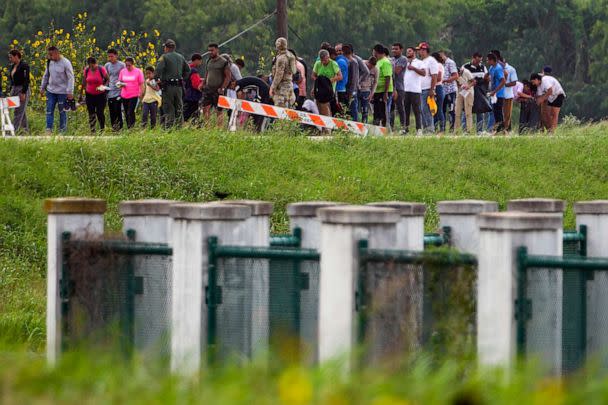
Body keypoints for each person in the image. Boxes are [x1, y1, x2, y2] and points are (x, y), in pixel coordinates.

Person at [154, 39, 190, 128]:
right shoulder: (181, 57)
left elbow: (158, 70)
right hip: (179, 87)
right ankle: (179, 128)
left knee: (169, 107)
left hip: (168, 87)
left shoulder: (164, 57)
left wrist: (157, 79)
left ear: (166, 48)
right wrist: (182, 78)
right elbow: (188, 70)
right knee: (179, 107)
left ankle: (169, 129)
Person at [40, 46, 74, 133]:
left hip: (62, 92)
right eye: (49, 55)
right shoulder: (49, 62)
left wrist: (70, 91)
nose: (50, 57)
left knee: (62, 111)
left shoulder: (66, 63)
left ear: (57, 53)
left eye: (51, 55)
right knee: (49, 110)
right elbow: (46, 75)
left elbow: (71, 77)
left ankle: (62, 131)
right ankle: (48, 129)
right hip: (51, 91)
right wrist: (42, 87)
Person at [201, 43, 231, 126]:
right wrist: (203, 83)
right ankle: (207, 127)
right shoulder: (208, 61)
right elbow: (207, 73)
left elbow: (228, 76)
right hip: (208, 88)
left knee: (219, 110)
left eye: (212, 50)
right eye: (209, 51)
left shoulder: (223, 62)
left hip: (218, 89)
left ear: (217, 50)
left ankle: (219, 128)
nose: (210, 52)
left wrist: (223, 88)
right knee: (205, 108)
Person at [462, 52, 490, 133]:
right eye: (477, 61)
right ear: (473, 58)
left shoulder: (483, 67)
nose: (479, 63)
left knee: (480, 111)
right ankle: (465, 130)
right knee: (467, 110)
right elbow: (461, 78)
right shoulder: (465, 67)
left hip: (480, 92)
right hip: (469, 91)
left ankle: (479, 130)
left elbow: (486, 79)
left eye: (480, 61)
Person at [312, 49, 342, 118]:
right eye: (322, 60)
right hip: (320, 91)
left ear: (328, 57)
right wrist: (318, 83)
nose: (323, 62)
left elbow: (340, 76)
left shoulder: (333, 64)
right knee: (321, 110)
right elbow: (313, 75)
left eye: (325, 60)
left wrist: (329, 81)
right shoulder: (318, 64)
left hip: (330, 91)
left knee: (331, 110)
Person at [81, 56, 108, 133]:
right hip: (89, 94)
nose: (92, 67)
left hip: (100, 94)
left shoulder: (101, 69)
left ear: (96, 64)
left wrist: (103, 86)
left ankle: (102, 129)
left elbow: (107, 79)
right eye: (90, 65)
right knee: (91, 113)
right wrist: (81, 94)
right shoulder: (86, 70)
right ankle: (92, 130)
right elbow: (84, 82)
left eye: (93, 65)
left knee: (100, 112)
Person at [402, 47, 425, 134]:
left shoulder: (419, 62)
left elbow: (423, 73)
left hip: (415, 90)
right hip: (405, 89)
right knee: (406, 111)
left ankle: (419, 129)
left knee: (417, 111)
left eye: (410, 51)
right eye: (407, 51)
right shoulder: (405, 62)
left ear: (414, 52)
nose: (408, 52)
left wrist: (413, 68)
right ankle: (406, 129)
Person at [7, 49, 31, 133]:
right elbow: (12, 80)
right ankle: (25, 130)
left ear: (16, 56)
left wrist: (23, 92)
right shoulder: (13, 66)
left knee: (18, 111)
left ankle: (13, 130)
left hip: (22, 89)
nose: (10, 59)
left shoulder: (24, 66)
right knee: (20, 110)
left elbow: (26, 80)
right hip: (14, 89)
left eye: (11, 57)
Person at [417, 42, 438, 133]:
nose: (419, 52)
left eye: (420, 50)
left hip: (427, 89)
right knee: (421, 110)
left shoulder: (431, 60)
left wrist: (432, 89)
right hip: (420, 89)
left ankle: (430, 129)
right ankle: (425, 129)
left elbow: (434, 76)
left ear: (425, 50)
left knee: (427, 110)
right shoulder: (422, 61)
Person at [270, 37, 297, 108]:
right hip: (289, 86)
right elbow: (294, 71)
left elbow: (279, 75)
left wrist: (272, 87)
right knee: (288, 109)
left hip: (282, 88)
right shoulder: (290, 55)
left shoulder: (281, 58)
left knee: (280, 110)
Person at [118, 57, 144, 129]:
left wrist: (141, 93)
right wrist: (120, 85)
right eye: (126, 65)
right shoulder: (122, 71)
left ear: (133, 64)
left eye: (129, 65)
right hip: (124, 95)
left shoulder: (138, 71)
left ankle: (131, 127)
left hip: (134, 95)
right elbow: (120, 82)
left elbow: (141, 84)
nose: (128, 67)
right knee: (126, 112)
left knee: (131, 111)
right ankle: (128, 126)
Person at [104, 49, 125, 131]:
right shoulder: (107, 65)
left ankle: (120, 128)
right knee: (112, 110)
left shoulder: (122, 65)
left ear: (116, 56)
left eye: (112, 56)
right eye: (109, 56)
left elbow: (125, 76)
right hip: (110, 90)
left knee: (118, 110)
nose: (110, 58)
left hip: (119, 91)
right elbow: (106, 78)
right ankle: (114, 128)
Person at [372, 44, 393, 128]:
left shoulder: (385, 62)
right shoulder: (378, 61)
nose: (373, 54)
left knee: (383, 112)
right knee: (377, 112)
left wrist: (386, 92)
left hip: (383, 91)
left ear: (376, 52)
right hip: (377, 91)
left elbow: (388, 77)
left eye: (373, 52)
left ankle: (386, 129)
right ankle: (377, 129)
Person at [390, 43, 408, 132]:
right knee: (391, 108)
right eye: (393, 49)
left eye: (396, 49)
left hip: (399, 87)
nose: (394, 51)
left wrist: (388, 67)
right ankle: (391, 128)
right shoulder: (391, 59)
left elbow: (397, 71)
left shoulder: (403, 59)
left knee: (400, 107)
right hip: (391, 87)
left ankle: (402, 128)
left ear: (401, 50)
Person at [486, 53, 506, 133]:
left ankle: (502, 130)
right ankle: (498, 130)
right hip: (493, 94)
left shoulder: (498, 68)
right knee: (495, 112)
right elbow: (489, 75)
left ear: (492, 60)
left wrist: (495, 91)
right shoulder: (491, 67)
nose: (487, 61)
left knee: (499, 112)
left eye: (488, 60)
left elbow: (503, 81)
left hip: (499, 94)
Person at [439, 50, 458, 131]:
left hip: (450, 91)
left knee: (451, 110)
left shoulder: (450, 62)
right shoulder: (440, 64)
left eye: (441, 56)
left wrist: (445, 80)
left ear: (444, 55)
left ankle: (451, 129)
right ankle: (442, 129)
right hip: (442, 90)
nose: (440, 58)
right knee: (442, 110)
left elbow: (456, 76)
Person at [455, 66, 475, 134]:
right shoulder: (455, 74)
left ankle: (469, 130)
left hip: (468, 91)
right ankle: (456, 130)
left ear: (460, 71)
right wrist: (459, 85)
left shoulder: (466, 72)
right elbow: (457, 83)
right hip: (461, 91)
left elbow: (474, 82)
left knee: (468, 112)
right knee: (457, 111)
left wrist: (468, 86)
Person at [183, 53, 203, 121]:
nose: (200, 63)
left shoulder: (187, 68)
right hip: (193, 96)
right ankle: (194, 127)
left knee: (186, 112)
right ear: (197, 60)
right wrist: (202, 86)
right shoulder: (194, 70)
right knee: (193, 114)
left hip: (186, 94)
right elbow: (195, 84)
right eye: (200, 61)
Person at [343, 44, 359, 121]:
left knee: (353, 110)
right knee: (348, 110)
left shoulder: (353, 62)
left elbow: (354, 79)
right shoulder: (348, 61)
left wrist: (351, 92)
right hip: (348, 89)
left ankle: (356, 129)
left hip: (352, 90)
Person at [501, 58, 518, 132]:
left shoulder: (511, 69)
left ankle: (506, 130)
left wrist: (504, 84)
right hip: (498, 95)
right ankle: (499, 130)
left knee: (507, 115)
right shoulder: (496, 69)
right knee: (499, 114)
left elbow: (514, 82)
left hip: (507, 95)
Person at [359, 56, 377, 123]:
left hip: (366, 90)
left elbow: (375, 82)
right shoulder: (362, 63)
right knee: (354, 108)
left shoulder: (376, 69)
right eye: (369, 66)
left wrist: (372, 94)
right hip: (358, 88)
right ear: (367, 62)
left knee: (365, 110)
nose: (370, 68)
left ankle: (364, 124)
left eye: (372, 67)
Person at [432, 52, 445, 133]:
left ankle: (442, 128)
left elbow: (439, 78)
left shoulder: (438, 65)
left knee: (439, 109)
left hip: (438, 88)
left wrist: (431, 80)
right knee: (434, 109)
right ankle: (435, 127)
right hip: (435, 87)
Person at [334, 43, 349, 109]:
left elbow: (339, 76)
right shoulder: (345, 60)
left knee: (339, 108)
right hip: (343, 88)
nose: (338, 52)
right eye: (336, 51)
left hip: (339, 88)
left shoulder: (339, 61)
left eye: (340, 50)